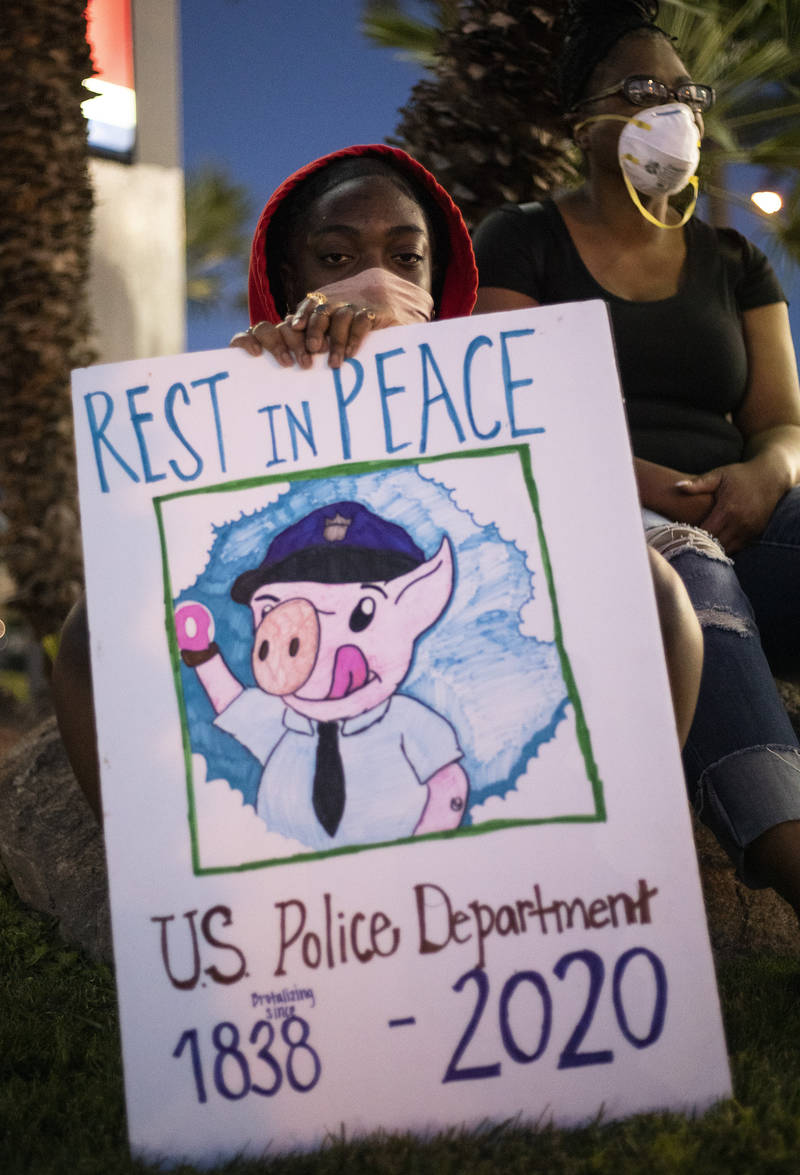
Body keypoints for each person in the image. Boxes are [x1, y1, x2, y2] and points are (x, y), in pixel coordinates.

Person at [53, 142, 701, 820]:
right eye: (336, 258)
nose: (374, 279)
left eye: (405, 257)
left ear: (436, 272)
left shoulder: (493, 392)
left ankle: (630, 843)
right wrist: (255, 385)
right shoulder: (257, 383)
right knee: (86, 633)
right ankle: (166, 901)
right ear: (287, 272)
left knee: (656, 590)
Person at [471, 0, 800, 913]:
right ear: (584, 118)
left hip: (741, 505)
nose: (676, 111)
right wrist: (654, 489)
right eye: (644, 90)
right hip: (598, 515)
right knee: (692, 585)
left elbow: (781, 421)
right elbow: (510, 410)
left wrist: (763, 474)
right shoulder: (524, 239)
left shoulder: (735, 259)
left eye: (686, 91)